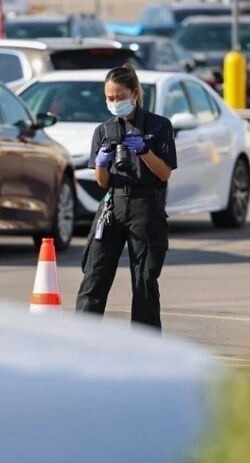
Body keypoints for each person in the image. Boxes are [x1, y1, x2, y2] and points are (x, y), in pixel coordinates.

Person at [77, 64, 177, 329]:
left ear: (134, 94)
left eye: (120, 97)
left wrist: (144, 151)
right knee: (94, 274)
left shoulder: (159, 126)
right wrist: (102, 162)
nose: (115, 103)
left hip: (146, 204)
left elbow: (164, 173)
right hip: (113, 203)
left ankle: (145, 341)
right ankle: (81, 335)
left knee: (144, 279)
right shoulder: (104, 130)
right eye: (109, 98)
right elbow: (102, 182)